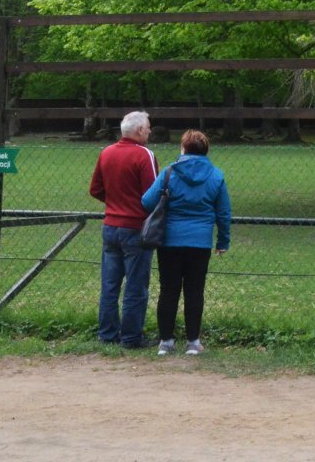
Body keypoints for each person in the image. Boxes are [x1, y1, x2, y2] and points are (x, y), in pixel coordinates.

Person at [141, 129, 232, 356]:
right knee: (194, 291)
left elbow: (147, 201)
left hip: (170, 240)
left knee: (168, 290)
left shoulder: (170, 172)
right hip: (199, 242)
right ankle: (193, 342)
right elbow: (223, 213)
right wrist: (222, 240)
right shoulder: (216, 176)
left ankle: (166, 341)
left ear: (183, 148)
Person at [88, 110, 158, 349]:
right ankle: (131, 337)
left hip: (110, 226)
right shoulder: (144, 155)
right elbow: (153, 195)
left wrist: (115, 203)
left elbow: (95, 189)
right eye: (148, 127)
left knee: (109, 285)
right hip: (136, 228)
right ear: (139, 130)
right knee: (136, 286)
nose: (149, 130)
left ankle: (107, 334)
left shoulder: (106, 153)